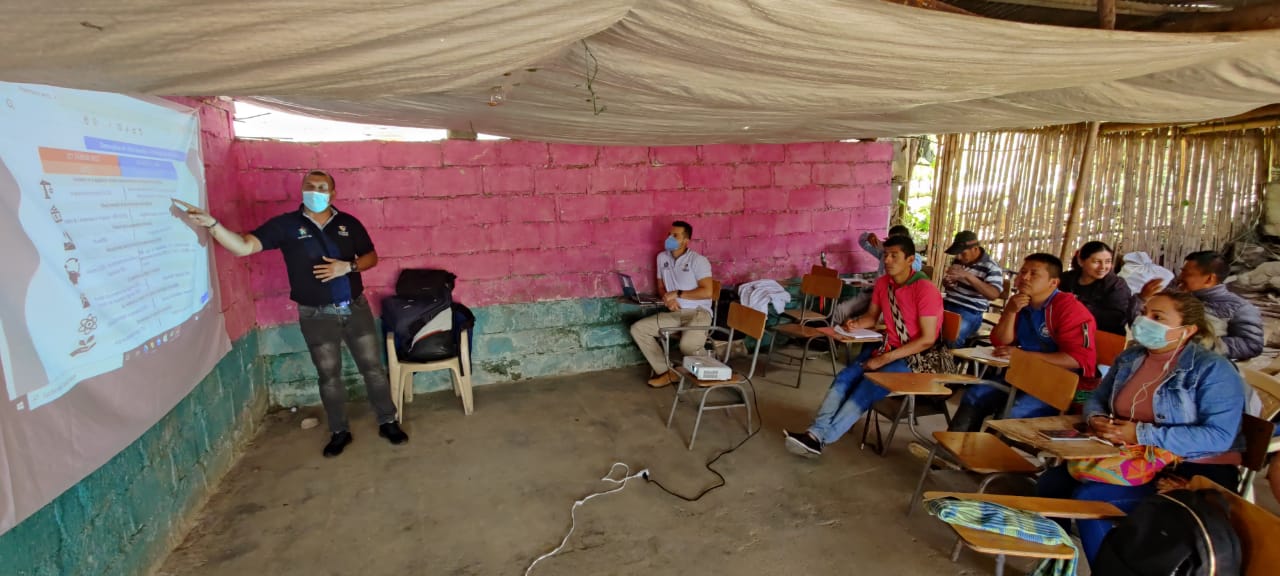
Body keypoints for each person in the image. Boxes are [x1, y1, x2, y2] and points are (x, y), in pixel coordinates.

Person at [180, 170, 407, 457]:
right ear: (302, 189)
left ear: (332, 194)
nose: (316, 191)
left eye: (322, 187)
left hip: (355, 308)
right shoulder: (286, 225)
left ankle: (388, 421)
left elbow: (371, 257)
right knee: (329, 375)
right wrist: (214, 225)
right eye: (310, 186)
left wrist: (347, 267)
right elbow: (244, 246)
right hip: (316, 315)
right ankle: (339, 431)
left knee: (372, 368)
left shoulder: (348, 224)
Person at [1036, 291, 1244, 565]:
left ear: (1187, 330)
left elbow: (1218, 437)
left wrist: (1140, 433)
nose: (1145, 321)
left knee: (1090, 498)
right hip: (1131, 455)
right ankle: (1058, 563)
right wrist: (1096, 417)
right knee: (1051, 483)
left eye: (1158, 317)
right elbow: (1098, 397)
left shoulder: (1213, 369)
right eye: (1144, 313)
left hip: (1191, 467)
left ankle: (1111, 571)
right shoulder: (1131, 357)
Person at [783, 236, 942, 457]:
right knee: (845, 377)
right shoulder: (884, 283)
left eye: (894, 256)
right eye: (885, 255)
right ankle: (814, 434)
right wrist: (856, 324)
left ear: (910, 259)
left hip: (916, 357)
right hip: (888, 348)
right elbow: (871, 317)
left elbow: (927, 340)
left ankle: (822, 437)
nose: (887, 260)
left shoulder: (925, 289)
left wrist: (883, 359)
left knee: (867, 386)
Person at [948, 253, 1097, 432]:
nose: (1024, 277)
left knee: (1011, 414)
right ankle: (954, 447)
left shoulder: (1069, 309)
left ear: (1053, 283)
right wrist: (1010, 312)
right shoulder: (1020, 302)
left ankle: (986, 449)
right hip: (1023, 373)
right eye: (1023, 272)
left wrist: (1023, 356)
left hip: (1059, 384)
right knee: (974, 395)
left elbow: (1078, 359)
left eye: (1034, 274)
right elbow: (1000, 341)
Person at [630, 221, 715, 388]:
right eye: (669, 234)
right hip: (675, 313)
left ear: (686, 241)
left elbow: (707, 292)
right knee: (638, 329)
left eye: (675, 235)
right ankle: (668, 372)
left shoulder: (698, 261)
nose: (670, 238)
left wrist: (678, 293)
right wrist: (667, 300)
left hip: (699, 313)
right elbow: (661, 287)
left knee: (687, 345)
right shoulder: (662, 258)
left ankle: (711, 367)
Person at [1138, 251, 1263, 362]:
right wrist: (1143, 299)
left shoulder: (1239, 307)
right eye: (1182, 272)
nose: (1180, 277)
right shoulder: (1174, 296)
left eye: (1186, 273)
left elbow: (1251, 345)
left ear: (1209, 279)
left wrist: (1199, 343)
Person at [940, 230, 1004, 348]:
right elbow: (950, 286)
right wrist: (948, 283)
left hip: (970, 312)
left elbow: (993, 294)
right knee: (925, 326)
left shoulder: (991, 267)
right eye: (957, 253)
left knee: (953, 337)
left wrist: (968, 276)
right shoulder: (959, 261)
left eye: (963, 253)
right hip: (947, 305)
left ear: (975, 249)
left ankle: (952, 358)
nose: (958, 256)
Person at [1060, 241, 1135, 335]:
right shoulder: (1065, 279)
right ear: (1081, 261)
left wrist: (1077, 306)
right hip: (1066, 332)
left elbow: (1117, 319)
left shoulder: (1116, 285)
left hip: (1102, 336)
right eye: (1096, 262)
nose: (1103, 267)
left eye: (1108, 261)